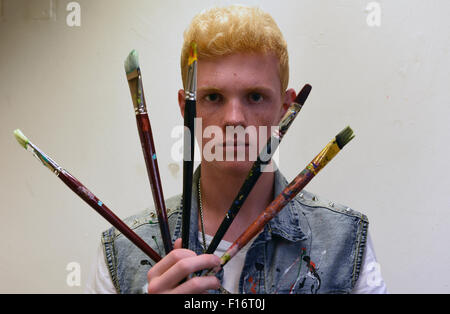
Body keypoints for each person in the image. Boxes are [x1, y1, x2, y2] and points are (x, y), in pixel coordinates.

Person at [86, 5, 387, 294]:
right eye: (213, 97)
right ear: (186, 108)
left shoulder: (343, 241)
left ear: (285, 109)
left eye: (255, 97)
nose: (234, 119)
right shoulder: (123, 249)